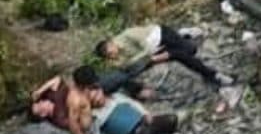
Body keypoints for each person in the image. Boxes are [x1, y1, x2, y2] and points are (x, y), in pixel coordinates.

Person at [96, 23, 234, 87]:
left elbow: (145, 48)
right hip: (155, 51)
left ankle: (182, 34)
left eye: (110, 53)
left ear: (110, 44)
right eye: (110, 57)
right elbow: (128, 65)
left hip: (159, 35)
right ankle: (212, 75)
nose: (113, 56)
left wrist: (148, 57)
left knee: (190, 50)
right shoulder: (116, 57)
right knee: (182, 55)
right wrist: (148, 58)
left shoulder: (127, 34)